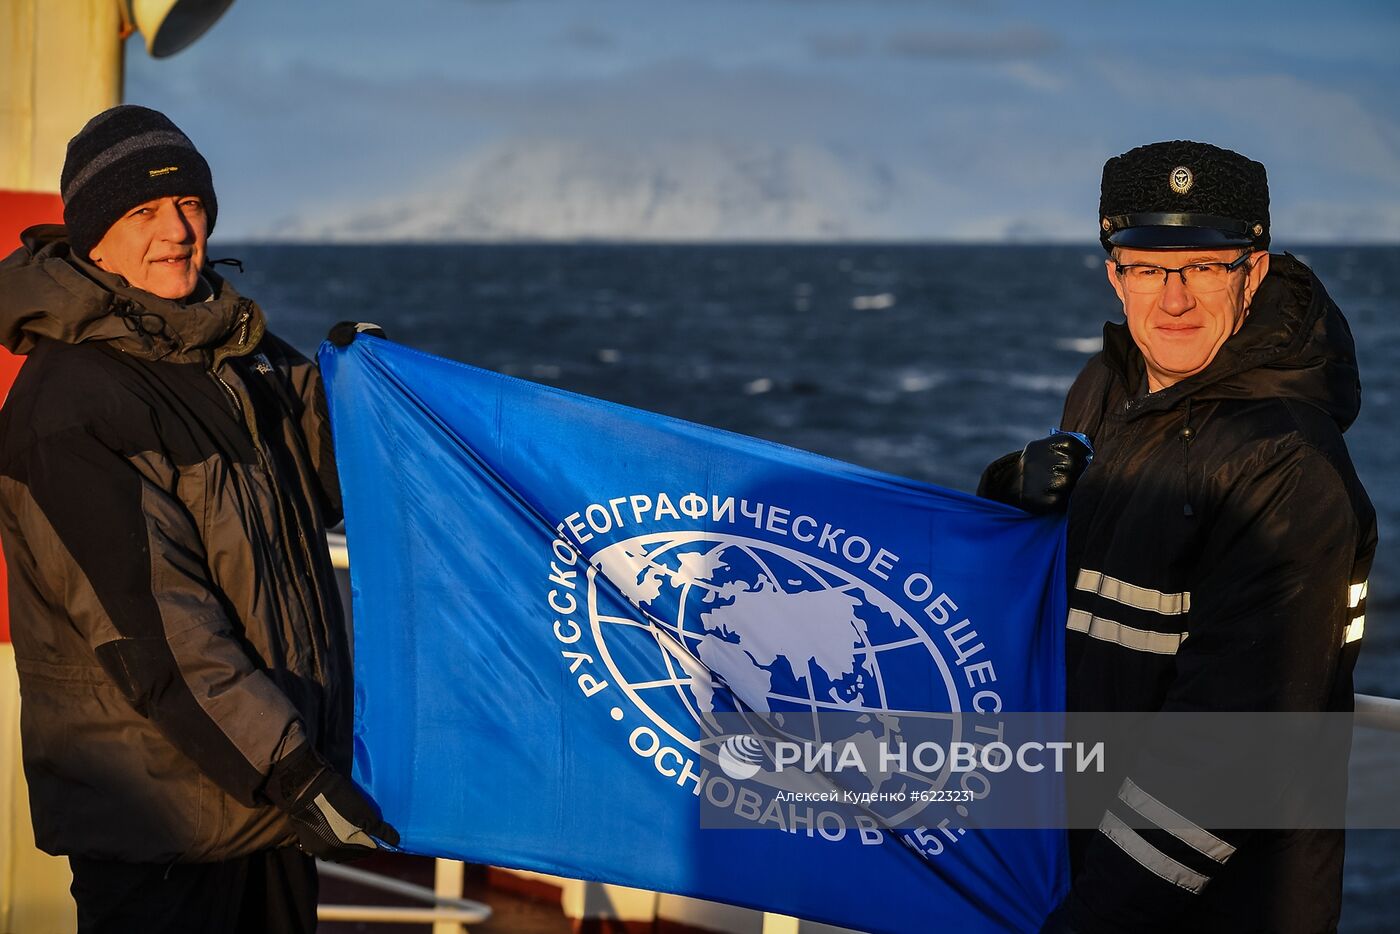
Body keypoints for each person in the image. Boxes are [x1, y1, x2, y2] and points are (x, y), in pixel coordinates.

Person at [0, 105, 396, 933]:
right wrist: (292, 770)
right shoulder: (72, 404)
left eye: (189, 205)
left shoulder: (230, 352)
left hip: (264, 804)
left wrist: (369, 396)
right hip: (166, 824)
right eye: (143, 212)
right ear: (93, 239)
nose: (177, 231)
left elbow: (329, 483)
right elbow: (155, 633)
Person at [980, 140, 1376, 932]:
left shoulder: (1287, 464)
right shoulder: (1105, 389)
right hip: (1071, 867)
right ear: (1114, 274)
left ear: (1253, 272)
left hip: (1211, 906)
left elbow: (1226, 758)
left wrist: (1084, 920)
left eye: (1203, 268)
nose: (1175, 300)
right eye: (1150, 269)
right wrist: (1003, 495)